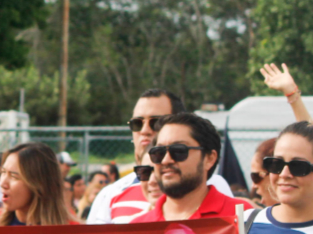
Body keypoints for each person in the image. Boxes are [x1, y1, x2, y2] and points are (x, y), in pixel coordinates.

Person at [86, 87, 232, 225]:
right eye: (137, 123)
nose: (145, 130)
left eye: (155, 122)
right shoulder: (110, 195)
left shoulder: (212, 185)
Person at [0, 142, 73, 226]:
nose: (2, 183)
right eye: (3, 172)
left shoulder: (72, 232)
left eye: (13, 176)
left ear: (39, 184)